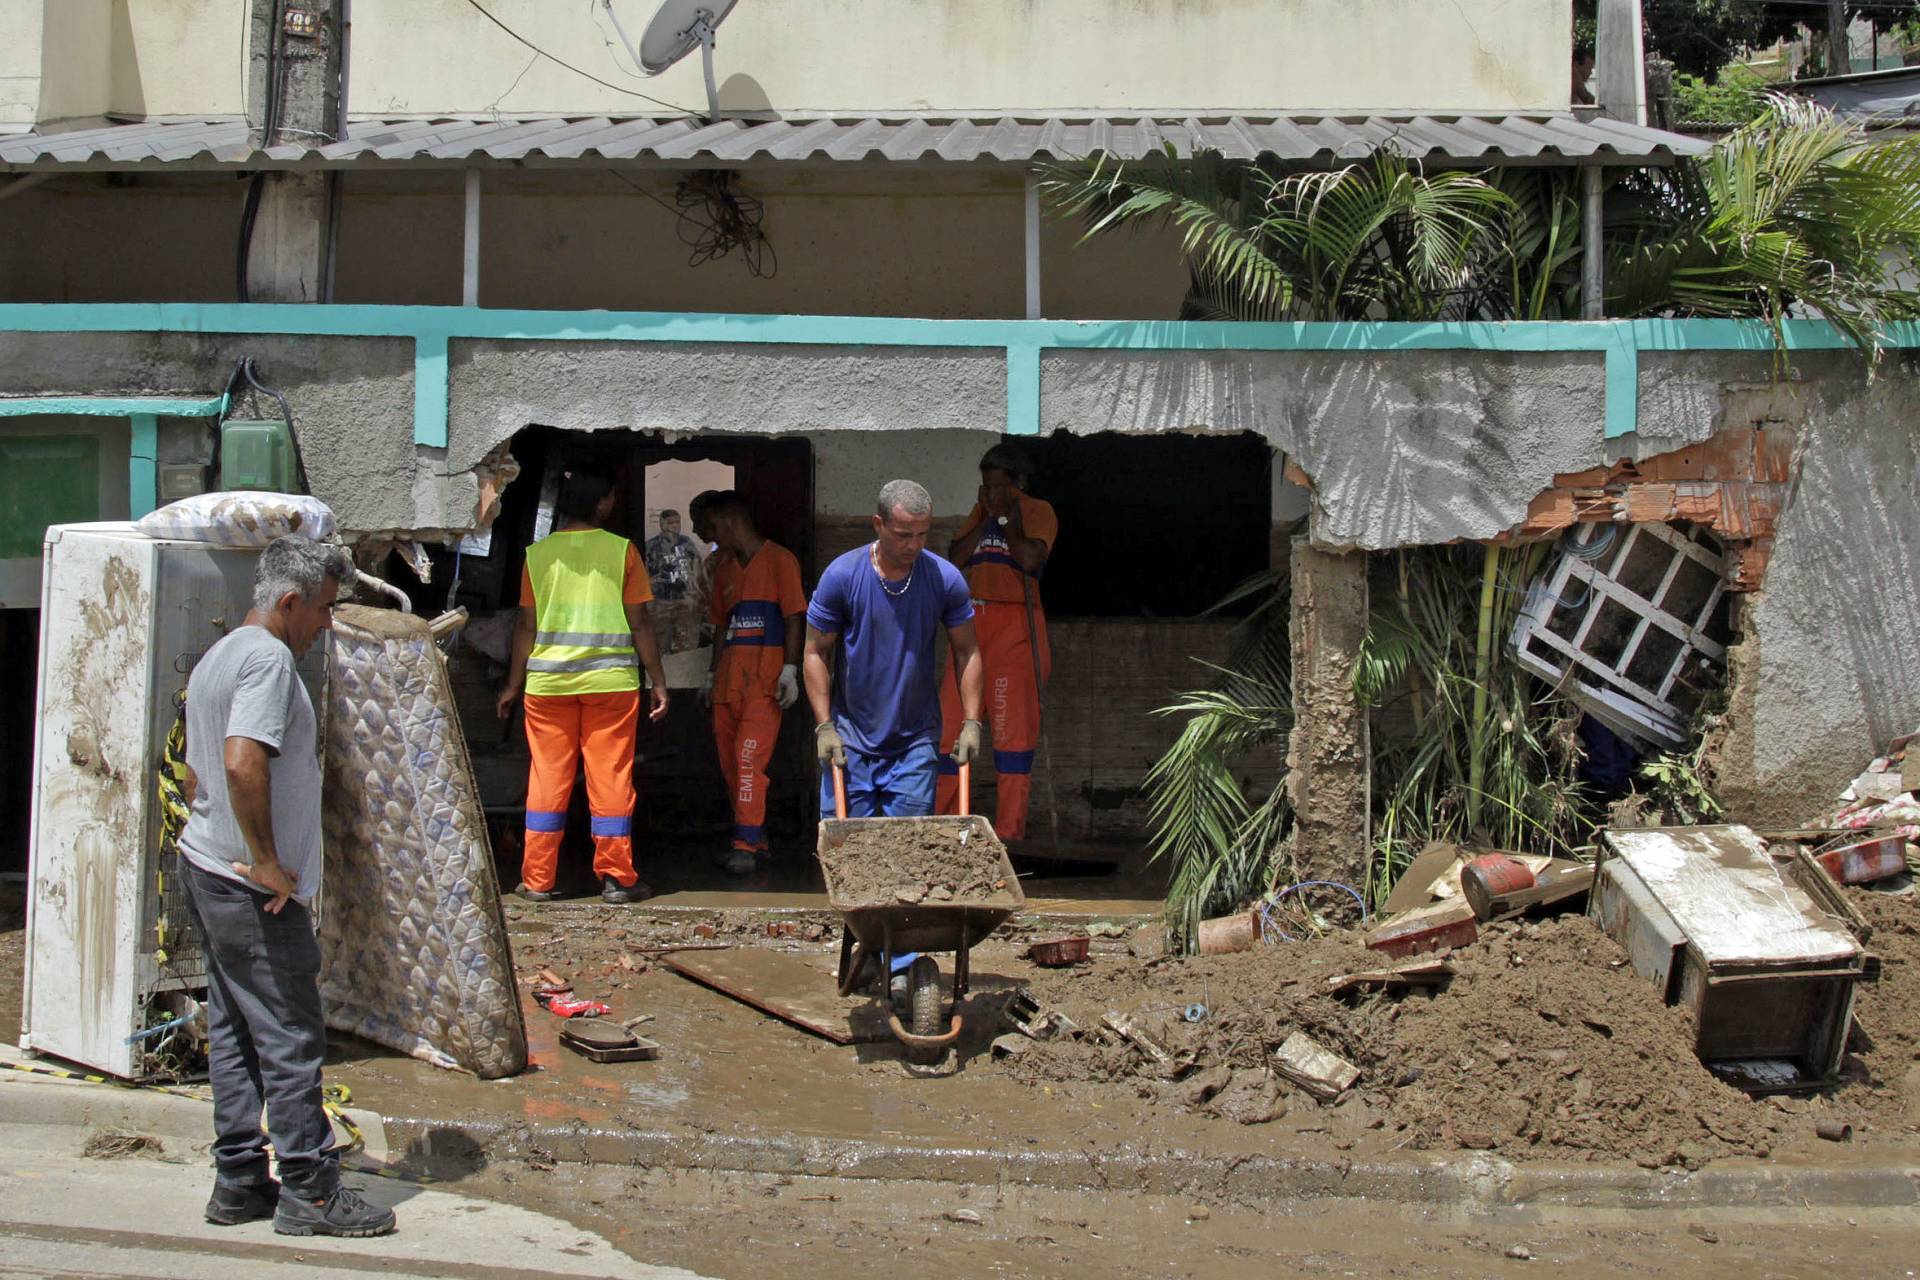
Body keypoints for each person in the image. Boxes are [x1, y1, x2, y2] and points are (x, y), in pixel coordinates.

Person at [177, 536, 397, 1238]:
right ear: (290, 601)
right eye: (326, 609)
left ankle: (239, 1180)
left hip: (208, 868)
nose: (327, 623)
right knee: (291, 1034)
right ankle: (310, 1189)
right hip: (250, 887)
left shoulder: (221, 654)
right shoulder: (270, 660)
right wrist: (267, 859)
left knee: (237, 1031)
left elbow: (193, 766)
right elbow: (242, 762)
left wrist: (223, 836)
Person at [496, 467, 669, 904]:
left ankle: (537, 879)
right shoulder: (622, 552)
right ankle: (616, 878)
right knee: (609, 776)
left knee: (547, 777)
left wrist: (513, 684)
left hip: (547, 687)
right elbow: (641, 622)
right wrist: (658, 680)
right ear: (603, 502)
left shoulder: (537, 556)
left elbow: (525, 625)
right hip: (610, 684)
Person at [805, 479, 984, 819]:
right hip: (849, 740)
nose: (913, 545)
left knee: (908, 854)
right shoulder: (842, 576)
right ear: (878, 524)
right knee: (848, 856)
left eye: (922, 534)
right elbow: (815, 652)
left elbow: (968, 651)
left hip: (915, 743)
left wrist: (972, 721)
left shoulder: (944, 579)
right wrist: (824, 726)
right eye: (903, 534)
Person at [936, 442, 1058, 841]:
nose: (989, 494)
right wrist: (986, 518)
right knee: (950, 731)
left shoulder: (1038, 511)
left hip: (1016, 627)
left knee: (1011, 735)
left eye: (998, 487)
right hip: (972, 623)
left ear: (1017, 485)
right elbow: (953, 558)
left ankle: (1008, 834)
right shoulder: (980, 513)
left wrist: (1005, 518)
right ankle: (947, 826)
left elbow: (1028, 559)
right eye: (984, 486)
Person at [693, 491, 807, 874]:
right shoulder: (725, 569)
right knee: (732, 767)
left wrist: (790, 670)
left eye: (712, 528)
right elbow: (721, 626)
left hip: (763, 683)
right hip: (728, 685)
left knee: (747, 763)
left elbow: (794, 618)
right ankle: (755, 838)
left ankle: (744, 843)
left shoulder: (780, 561)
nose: (711, 537)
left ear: (730, 522)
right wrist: (711, 676)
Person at [643, 508, 705, 654]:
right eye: (671, 522)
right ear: (662, 524)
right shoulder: (651, 546)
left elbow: (697, 566)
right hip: (660, 601)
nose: (675, 526)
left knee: (687, 643)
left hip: (685, 600)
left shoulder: (687, 543)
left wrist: (696, 592)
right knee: (659, 644)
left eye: (677, 522)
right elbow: (642, 572)